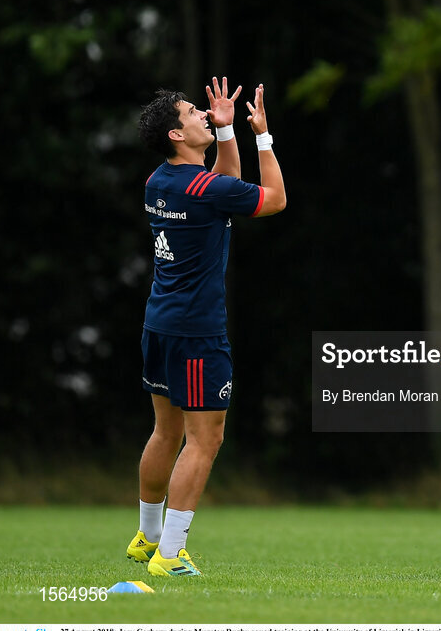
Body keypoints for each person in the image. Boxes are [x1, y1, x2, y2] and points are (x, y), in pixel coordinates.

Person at [127, 76, 286, 576]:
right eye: (193, 112)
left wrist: (223, 132)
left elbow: (222, 182)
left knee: (165, 430)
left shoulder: (161, 181)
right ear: (177, 135)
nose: (202, 113)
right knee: (205, 439)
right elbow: (273, 198)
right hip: (197, 333)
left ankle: (146, 538)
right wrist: (260, 134)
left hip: (160, 323)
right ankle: (170, 554)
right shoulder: (205, 189)